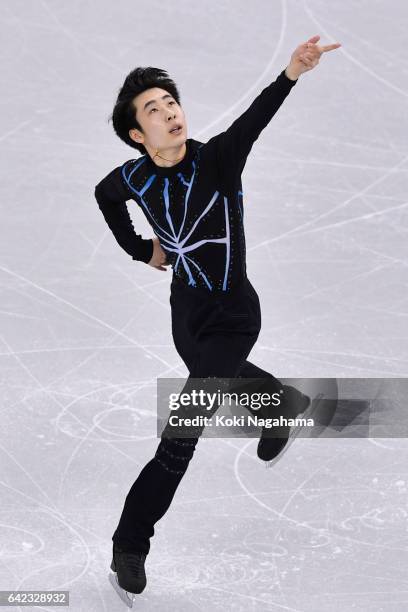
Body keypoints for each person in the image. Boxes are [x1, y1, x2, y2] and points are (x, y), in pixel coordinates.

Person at [95, 34, 341, 602]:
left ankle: (129, 545)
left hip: (233, 314)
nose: (169, 113)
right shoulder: (134, 177)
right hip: (186, 312)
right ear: (138, 135)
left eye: (171, 103)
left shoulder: (216, 159)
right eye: (153, 110)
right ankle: (280, 404)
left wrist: (291, 73)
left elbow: (254, 120)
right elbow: (105, 196)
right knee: (217, 375)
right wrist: (141, 250)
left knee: (182, 432)